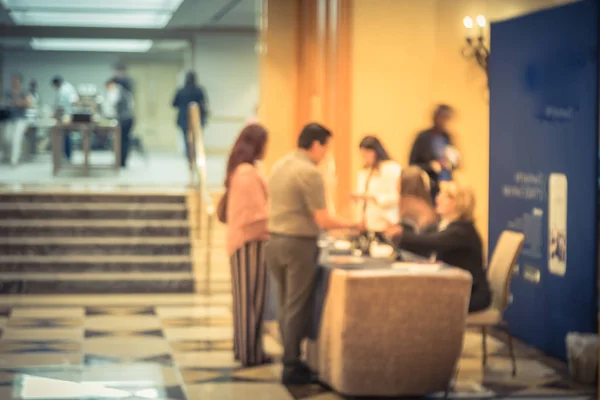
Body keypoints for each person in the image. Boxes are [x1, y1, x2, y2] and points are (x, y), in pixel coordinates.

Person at [266, 123, 364, 384]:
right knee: (297, 305)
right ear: (317, 145)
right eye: (326, 148)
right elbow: (323, 219)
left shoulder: (280, 165)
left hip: (274, 241)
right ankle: (292, 363)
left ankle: (289, 356)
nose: (326, 154)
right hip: (297, 244)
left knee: (286, 303)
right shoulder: (309, 172)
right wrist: (353, 224)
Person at [386, 179, 491, 313]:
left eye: (444, 195)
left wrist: (400, 234)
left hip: (470, 294)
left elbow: (430, 243)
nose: (438, 198)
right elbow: (422, 243)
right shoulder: (445, 226)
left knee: (413, 303)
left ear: (458, 202)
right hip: (455, 288)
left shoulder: (462, 231)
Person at [225, 123, 271, 367]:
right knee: (248, 302)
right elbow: (255, 215)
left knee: (250, 301)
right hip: (248, 243)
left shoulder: (243, 170)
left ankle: (247, 350)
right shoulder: (246, 173)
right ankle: (248, 353)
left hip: (247, 242)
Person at [352, 135, 402, 237]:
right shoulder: (364, 171)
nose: (365, 158)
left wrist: (374, 197)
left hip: (386, 224)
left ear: (375, 151)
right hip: (367, 224)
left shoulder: (391, 168)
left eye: (367, 154)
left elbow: (397, 196)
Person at [409, 104, 460, 199]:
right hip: (429, 186)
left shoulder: (448, 138)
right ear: (436, 118)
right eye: (443, 118)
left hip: (446, 186)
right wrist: (431, 166)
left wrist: (450, 163)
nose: (445, 122)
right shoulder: (423, 138)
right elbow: (412, 165)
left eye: (448, 119)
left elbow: (457, 163)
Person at [172, 71, 209, 163]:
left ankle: (190, 157)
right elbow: (204, 103)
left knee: (187, 139)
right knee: (197, 139)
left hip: (184, 119)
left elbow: (174, 104)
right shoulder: (199, 90)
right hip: (197, 119)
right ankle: (196, 156)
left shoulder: (181, 91)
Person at [2, 73, 31, 166]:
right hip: (10, 119)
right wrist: (16, 103)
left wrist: (18, 102)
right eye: (13, 80)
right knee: (7, 138)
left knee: (16, 139)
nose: (14, 82)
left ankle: (14, 160)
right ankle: (8, 155)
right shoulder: (8, 93)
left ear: (20, 82)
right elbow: (5, 103)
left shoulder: (23, 92)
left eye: (16, 80)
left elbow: (27, 103)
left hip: (21, 119)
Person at [107, 77, 135, 168]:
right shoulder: (127, 93)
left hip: (122, 119)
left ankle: (119, 161)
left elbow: (112, 104)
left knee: (119, 140)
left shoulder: (116, 91)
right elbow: (131, 106)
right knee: (125, 141)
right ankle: (122, 162)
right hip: (129, 118)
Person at [51, 76, 79, 161]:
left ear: (57, 83)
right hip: (70, 114)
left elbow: (61, 105)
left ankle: (67, 155)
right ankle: (68, 155)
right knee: (67, 135)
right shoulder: (69, 87)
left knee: (65, 135)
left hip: (66, 116)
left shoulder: (63, 90)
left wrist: (55, 115)